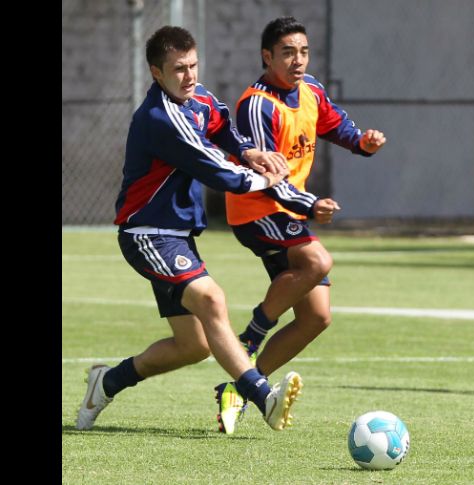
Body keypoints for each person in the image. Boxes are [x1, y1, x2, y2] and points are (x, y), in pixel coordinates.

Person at [75, 25, 322, 435]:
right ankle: (263, 398)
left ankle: (108, 381)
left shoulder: (198, 96)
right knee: (211, 299)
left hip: (176, 235)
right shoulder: (161, 118)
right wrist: (268, 179)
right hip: (147, 233)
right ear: (157, 73)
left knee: (193, 346)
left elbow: (221, 123)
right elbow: (219, 171)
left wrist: (249, 150)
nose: (189, 76)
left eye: (193, 65)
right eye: (178, 69)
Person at [215, 16, 386, 431]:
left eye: (304, 51)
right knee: (318, 263)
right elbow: (270, 178)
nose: (298, 60)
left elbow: (336, 124)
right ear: (267, 56)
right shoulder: (257, 105)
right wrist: (310, 205)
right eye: (288, 52)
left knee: (316, 318)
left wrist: (361, 142)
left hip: (289, 212)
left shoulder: (310, 92)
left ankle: (239, 386)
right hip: (255, 209)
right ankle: (251, 338)